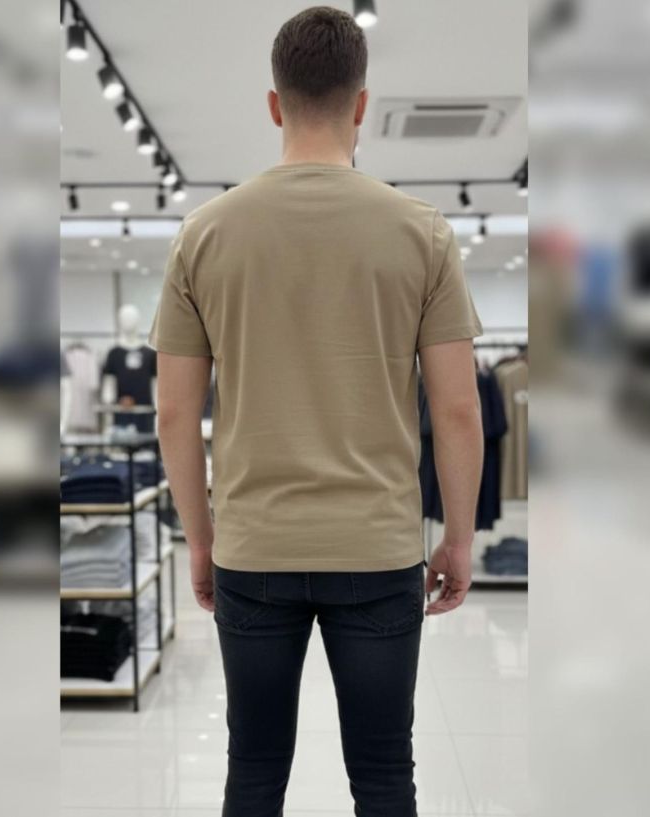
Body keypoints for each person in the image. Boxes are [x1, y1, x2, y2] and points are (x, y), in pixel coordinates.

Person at [150, 7, 484, 815]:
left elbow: (173, 414)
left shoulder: (203, 235)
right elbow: (457, 409)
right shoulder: (423, 234)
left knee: (254, 770)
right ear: (362, 103)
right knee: (384, 772)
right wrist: (459, 536)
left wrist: (201, 538)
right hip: (377, 547)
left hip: (255, 545)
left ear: (275, 104)